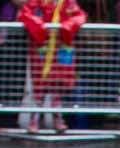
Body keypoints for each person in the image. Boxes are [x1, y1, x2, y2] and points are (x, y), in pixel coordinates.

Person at [17, 0, 83, 133]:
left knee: (59, 83)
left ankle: (57, 117)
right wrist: (40, 27)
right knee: (39, 83)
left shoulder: (68, 3)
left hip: (61, 47)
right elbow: (25, 13)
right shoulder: (37, 2)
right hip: (42, 47)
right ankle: (34, 118)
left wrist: (67, 27)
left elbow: (78, 15)